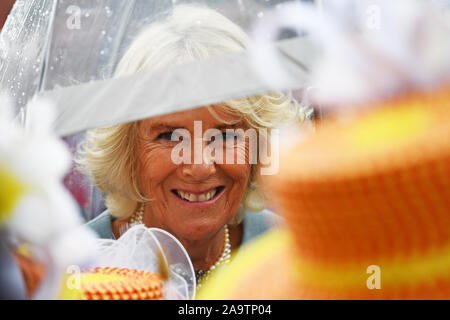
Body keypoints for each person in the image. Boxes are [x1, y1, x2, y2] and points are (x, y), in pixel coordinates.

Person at [80, 4, 301, 287]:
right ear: (128, 151)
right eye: (170, 136)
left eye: (225, 136)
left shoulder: (293, 252)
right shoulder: (71, 271)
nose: (199, 167)